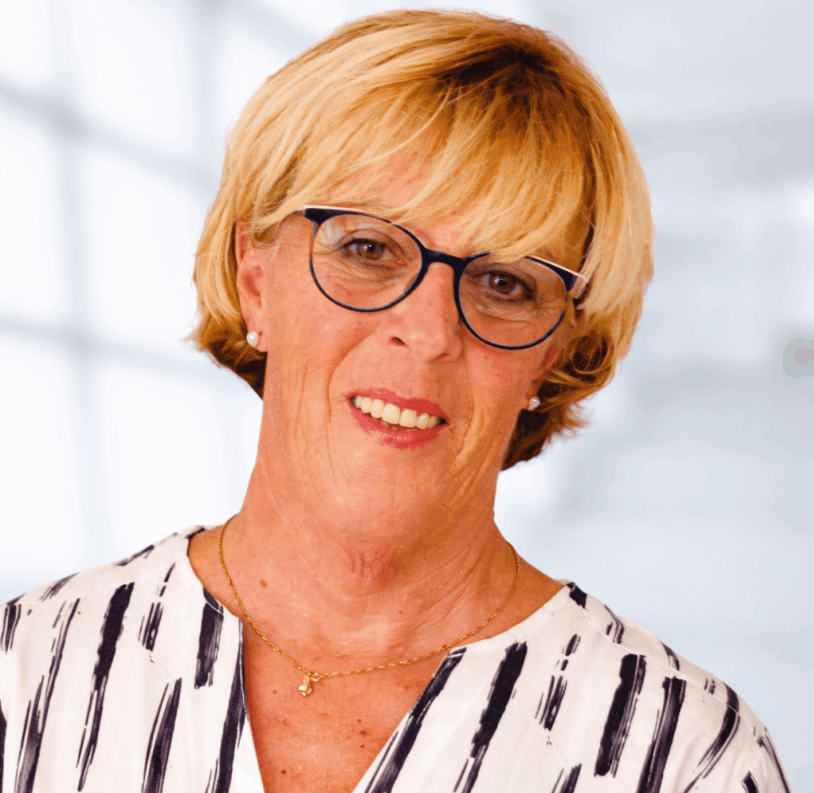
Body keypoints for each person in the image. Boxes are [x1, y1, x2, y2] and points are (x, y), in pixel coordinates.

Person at [0, 9, 791, 793]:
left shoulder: (687, 758)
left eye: (504, 282)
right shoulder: (28, 674)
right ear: (255, 280)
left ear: (552, 355)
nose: (430, 331)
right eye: (368, 248)